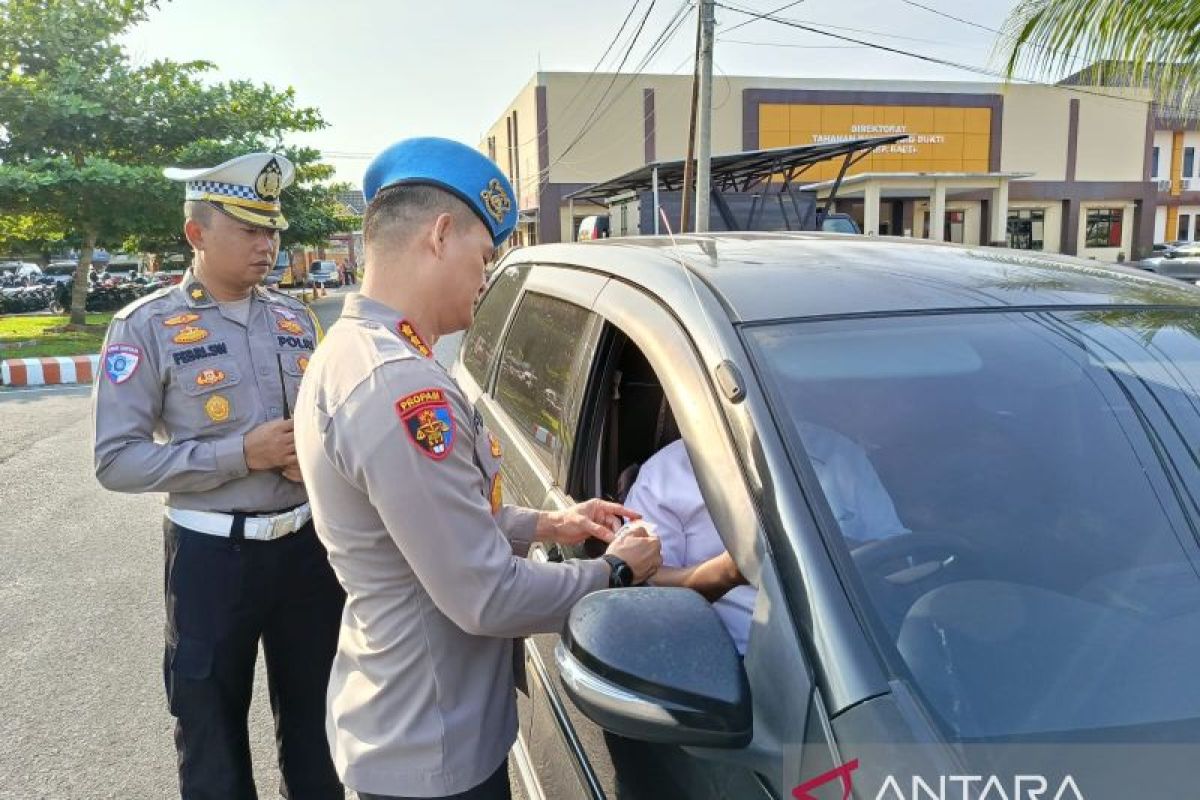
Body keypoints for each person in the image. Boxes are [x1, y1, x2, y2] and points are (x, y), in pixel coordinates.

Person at [292, 137, 663, 800]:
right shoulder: (399, 387)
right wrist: (616, 571)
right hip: (430, 742)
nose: (485, 278)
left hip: (413, 716)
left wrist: (554, 522)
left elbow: (432, 521)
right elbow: (484, 597)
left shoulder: (360, 351)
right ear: (439, 235)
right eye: (484, 256)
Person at [92, 152, 345, 800]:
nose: (268, 245)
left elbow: (322, 424)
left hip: (307, 552)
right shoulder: (144, 326)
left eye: (273, 230)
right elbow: (116, 459)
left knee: (322, 734)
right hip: (211, 557)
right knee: (211, 739)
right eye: (250, 230)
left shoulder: (295, 319)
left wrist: (310, 455)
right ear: (196, 233)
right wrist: (242, 455)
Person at [626, 423, 908, 654]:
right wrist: (729, 571)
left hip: (855, 655)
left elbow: (897, 557)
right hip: (734, 665)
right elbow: (650, 589)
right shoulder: (666, 476)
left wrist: (832, 551)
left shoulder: (840, 455)